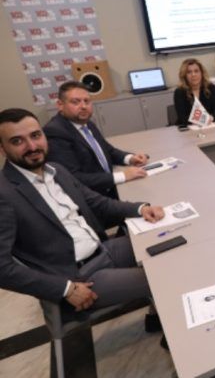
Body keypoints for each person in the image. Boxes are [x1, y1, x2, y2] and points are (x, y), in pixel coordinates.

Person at [0, 108, 165, 323]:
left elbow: (97, 202)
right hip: (79, 278)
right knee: (164, 275)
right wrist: (66, 289)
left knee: (166, 242)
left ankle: (156, 319)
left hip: (102, 250)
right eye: (17, 141)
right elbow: (2, 268)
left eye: (35, 135)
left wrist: (140, 209)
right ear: (2, 148)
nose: (32, 146)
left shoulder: (56, 170)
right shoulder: (4, 193)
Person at [44, 81, 149, 200]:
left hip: (109, 186)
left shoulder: (86, 123)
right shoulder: (55, 132)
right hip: (93, 198)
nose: (83, 106)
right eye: (75, 102)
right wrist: (122, 175)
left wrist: (130, 158)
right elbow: (73, 178)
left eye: (87, 101)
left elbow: (107, 150)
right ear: (60, 105)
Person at [173, 58, 215, 127]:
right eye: (189, 72)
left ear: (201, 73)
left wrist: (211, 117)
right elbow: (182, 117)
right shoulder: (179, 92)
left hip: (209, 126)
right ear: (184, 76)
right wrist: (202, 120)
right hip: (188, 128)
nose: (193, 75)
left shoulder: (211, 88)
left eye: (196, 71)